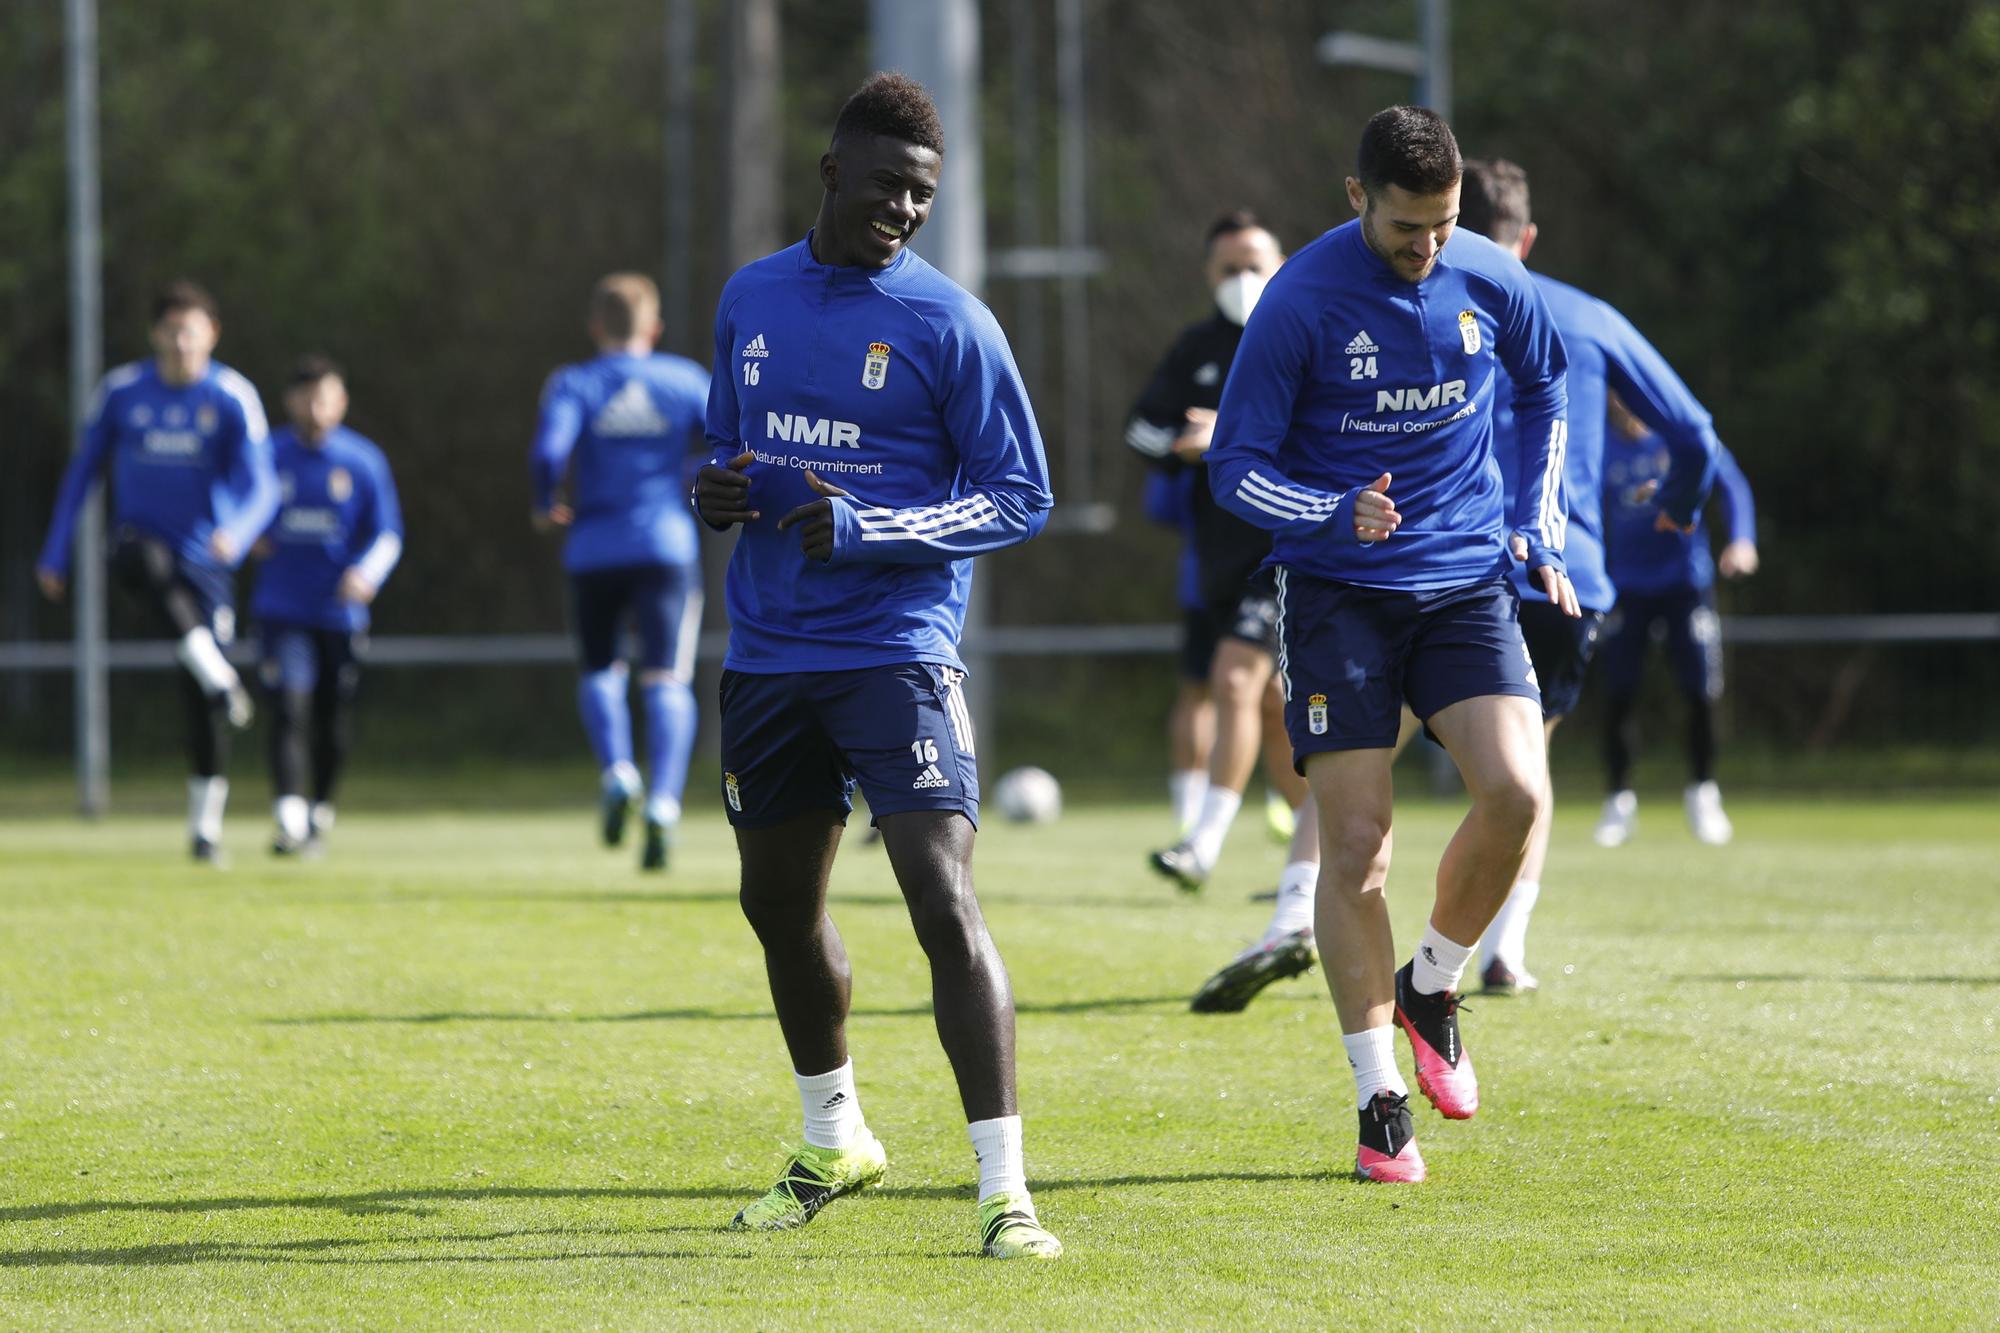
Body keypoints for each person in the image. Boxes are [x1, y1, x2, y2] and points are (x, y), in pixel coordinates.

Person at [693, 73, 1061, 1259]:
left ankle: (1005, 1190)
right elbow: (726, 441)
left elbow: (1020, 495)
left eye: (922, 193)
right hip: (766, 656)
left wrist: (879, 528)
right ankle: (833, 1134)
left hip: (894, 652)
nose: (904, 209)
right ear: (830, 174)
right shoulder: (749, 299)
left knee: (940, 899)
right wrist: (715, 488)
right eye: (888, 186)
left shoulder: (951, 324)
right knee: (776, 908)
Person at [1205, 106, 1574, 1184]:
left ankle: (1432, 982)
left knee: (1515, 794)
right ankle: (1377, 1094)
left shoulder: (1487, 278)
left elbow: (1543, 388)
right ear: (1354, 197)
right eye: (1406, 228)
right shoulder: (1299, 301)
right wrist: (1328, 511)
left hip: (1464, 582)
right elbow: (1235, 464)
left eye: (1443, 226)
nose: (1426, 249)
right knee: (1355, 842)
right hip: (1337, 595)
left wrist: (1532, 524)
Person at [1453, 159, 1720, 994]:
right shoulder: (1587, 316)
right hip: (1564, 578)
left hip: (1440, 570)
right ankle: (1501, 946)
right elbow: (1695, 431)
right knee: (1526, 766)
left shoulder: (1421, 306)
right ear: (1527, 237)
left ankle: (1308, 912)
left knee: (1359, 763)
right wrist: (1680, 503)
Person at [35, 281, 275, 863]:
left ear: (212, 335)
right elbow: (82, 475)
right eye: (170, 330)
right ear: (154, 334)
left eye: (191, 330)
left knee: (202, 707)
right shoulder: (121, 392)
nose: (180, 341)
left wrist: (237, 534)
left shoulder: (232, 395)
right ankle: (218, 674)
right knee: (140, 557)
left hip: (207, 562)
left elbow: (263, 485)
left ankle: (205, 832)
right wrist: (55, 552)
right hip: (138, 544)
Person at [1129, 212, 1311, 899]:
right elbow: (1140, 429)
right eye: (1229, 268)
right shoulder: (1194, 348)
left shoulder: (1302, 334)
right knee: (1266, 707)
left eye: (1255, 263)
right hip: (1216, 559)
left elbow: (1331, 437)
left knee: (1233, 680)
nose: (1243, 279)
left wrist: (1227, 436)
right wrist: (1181, 439)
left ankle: (1200, 846)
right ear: (1209, 275)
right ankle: (1314, 859)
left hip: (1287, 550)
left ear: (1281, 263)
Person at [531, 273, 710, 870]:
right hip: (665, 546)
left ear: (595, 327)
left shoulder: (575, 383)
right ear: (653, 328)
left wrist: (543, 498)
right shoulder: (684, 380)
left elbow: (549, 452)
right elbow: (725, 445)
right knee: (666, 679)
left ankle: (617, 771)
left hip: (594, 549)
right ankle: (662, 803)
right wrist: (689, 479)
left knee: (601, 670)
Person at [250, 356, 403, 856]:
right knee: (288, 708)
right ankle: (289, 820)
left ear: (342, 403)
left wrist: (366, 572)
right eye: (307, 398)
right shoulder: (267, 455)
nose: (316, 409)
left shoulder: (362, 461)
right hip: (281, 607)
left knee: (331, 718)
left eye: (326, 398)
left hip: (339, 612)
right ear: (290, 401)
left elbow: (388, 533)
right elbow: (235, 502)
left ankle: (319, 811)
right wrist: (243, 532)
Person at [1596, 398, 1758, 847]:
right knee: (1620, 692)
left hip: (1686, 583)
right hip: (1625, 585)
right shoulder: (1600, 445)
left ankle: (1704, 793)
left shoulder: (1680, 437)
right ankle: (1618, 801)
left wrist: (1742, 540)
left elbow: (1733, 485)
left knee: (1701, 690)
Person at [1141, 466, 1218, 832]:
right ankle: (1191, 824)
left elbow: (1161, 507)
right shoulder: (1189, 426)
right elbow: (1160, 506)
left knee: (1273, 697)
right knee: (1199, 693)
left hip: (1260, 581)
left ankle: (1296, 811)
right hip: (1209, 583)